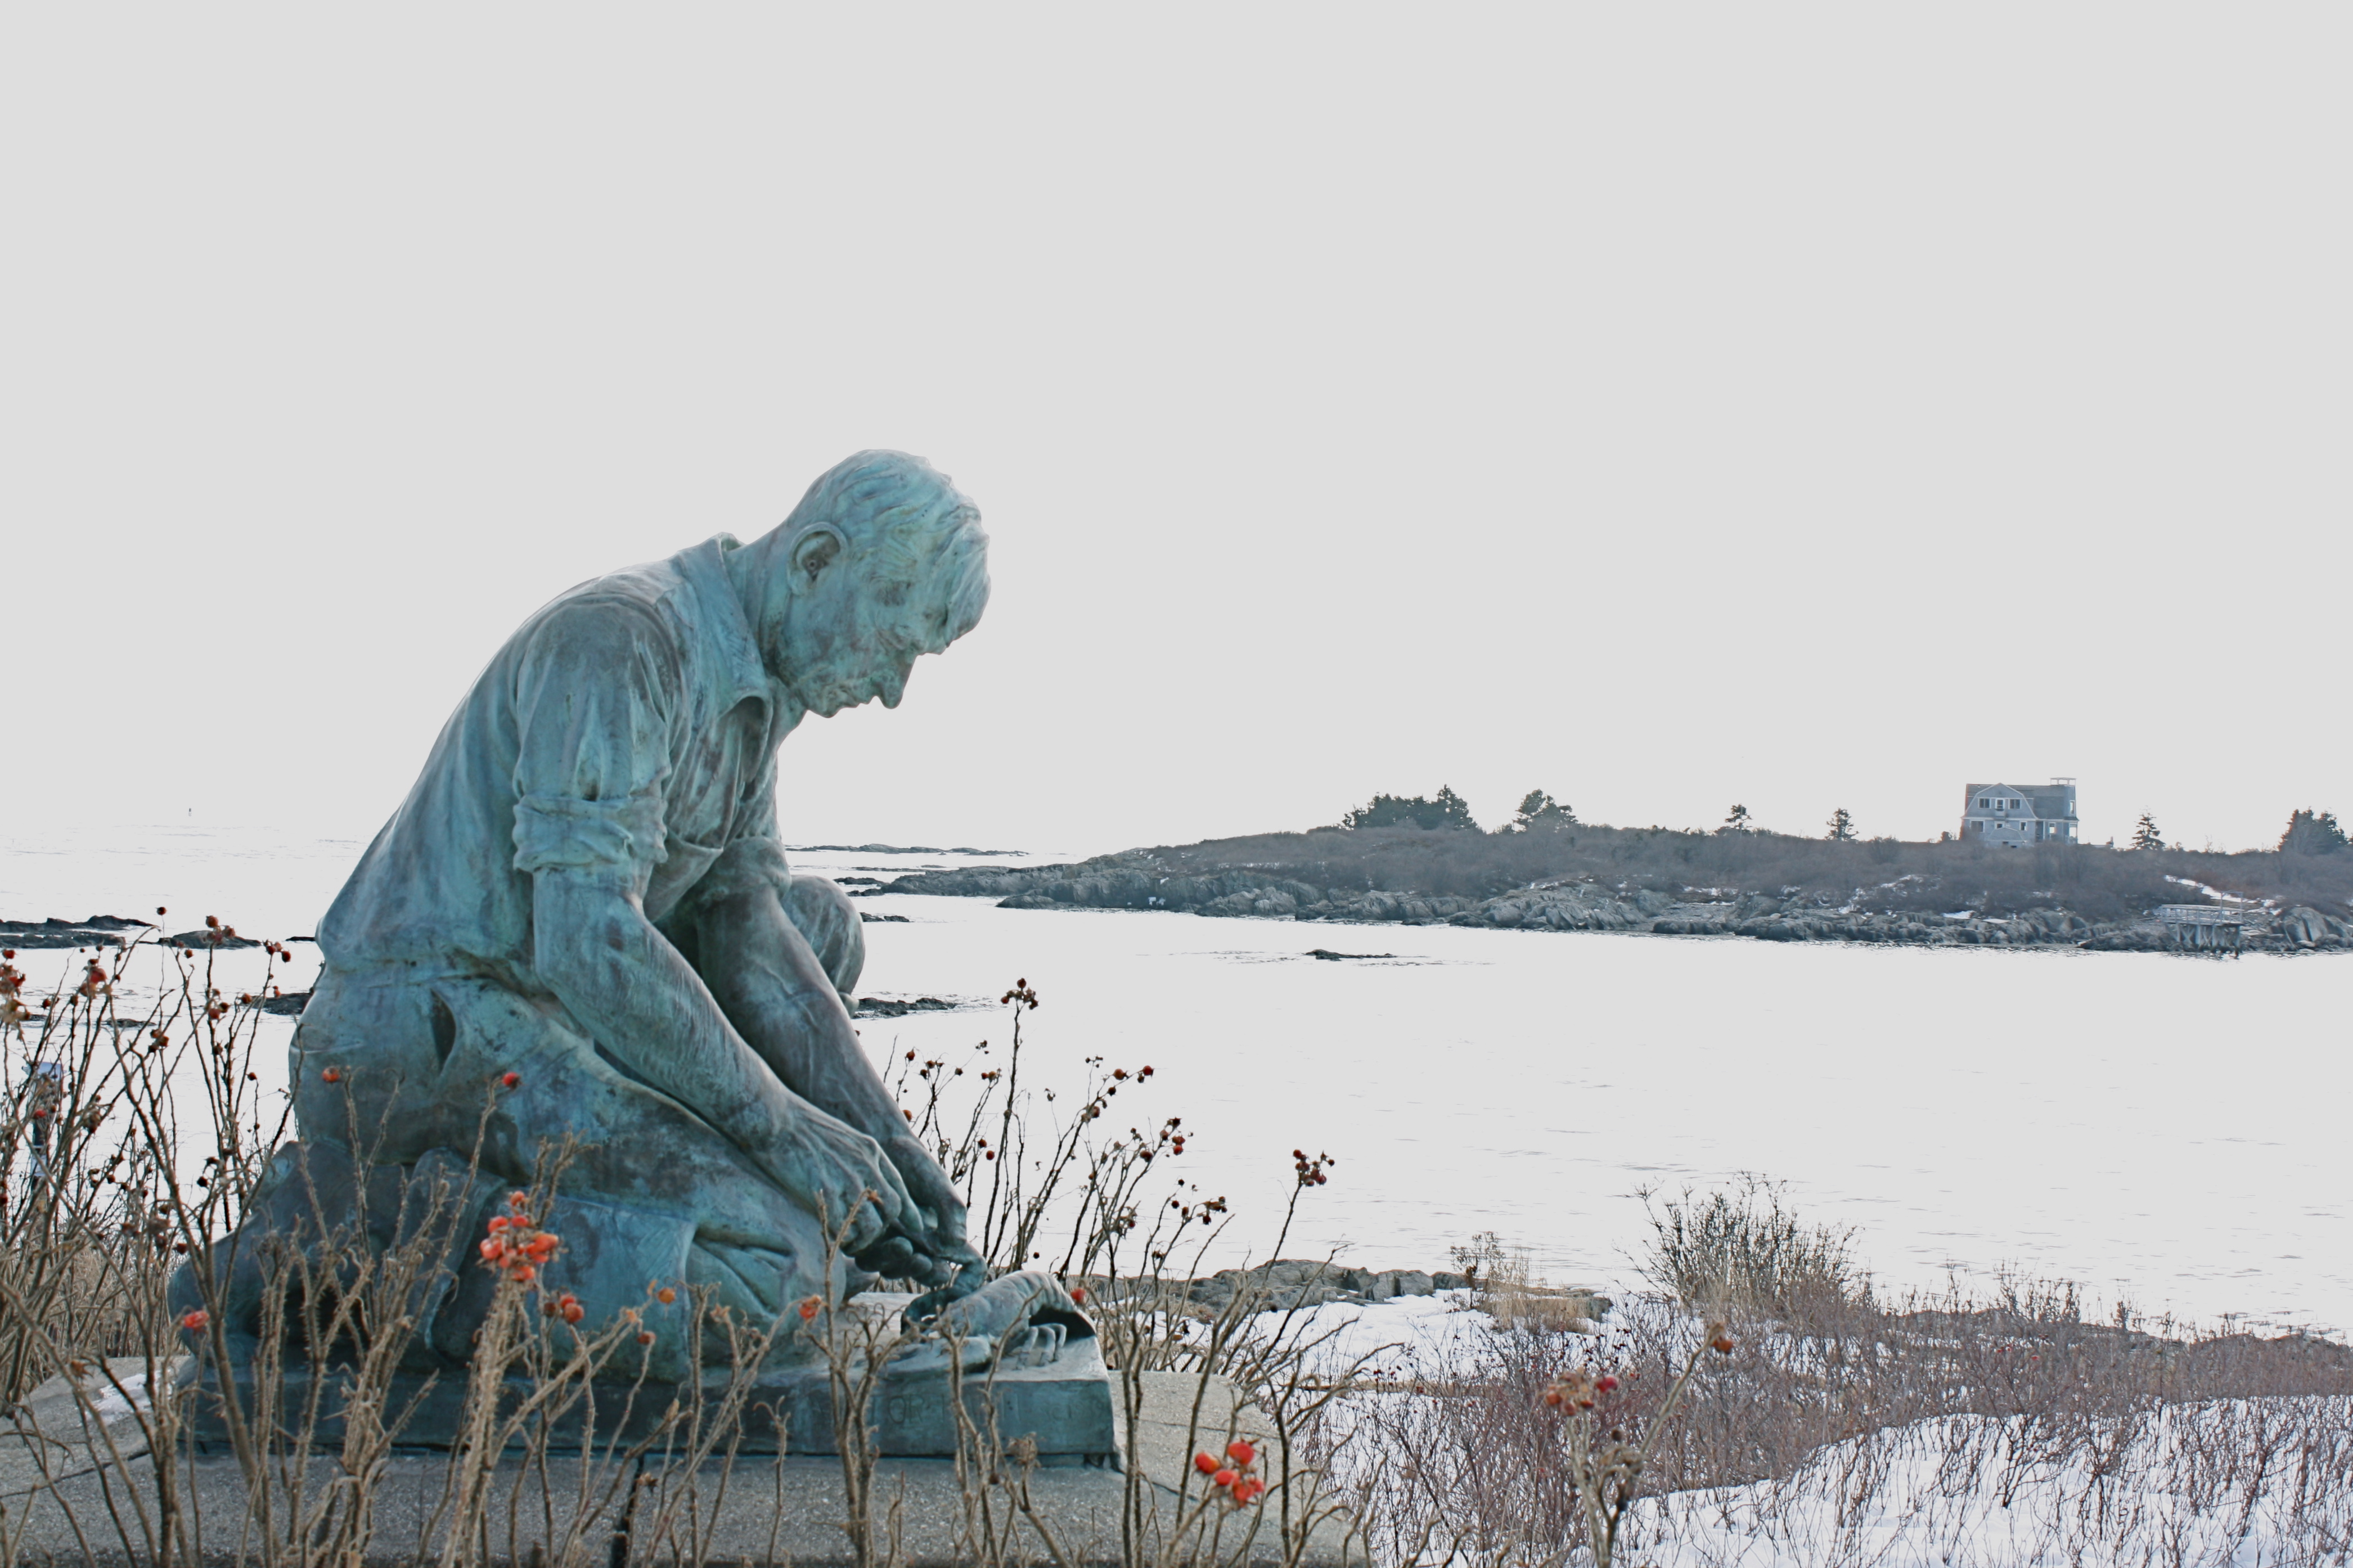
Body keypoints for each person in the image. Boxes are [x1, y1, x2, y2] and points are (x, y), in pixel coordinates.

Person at [254, 450, 988, 1367]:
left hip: (562, 1019)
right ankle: (339, 1242)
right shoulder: (622, 638)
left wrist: (887, 1146)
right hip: (431, 1034)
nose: (893, 690)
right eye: (895, 644)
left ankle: (714, 1215)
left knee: (819, 925)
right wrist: (786, 1131)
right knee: (775, 1275)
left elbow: (748, 931)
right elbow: (586, 939)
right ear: (815, 561)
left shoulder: (760, 690)